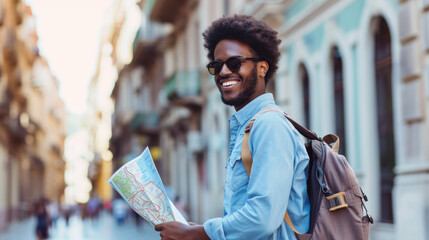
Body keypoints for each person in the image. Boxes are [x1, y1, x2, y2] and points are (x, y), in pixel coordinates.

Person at [155, 14, 310, 240]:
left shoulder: (269, 125)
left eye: (235, 62)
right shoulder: (247, 127)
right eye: (216, 66)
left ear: (262, 68)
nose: (224, 72)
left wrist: (195, 234)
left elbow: (262, 218)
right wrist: (195, 231)